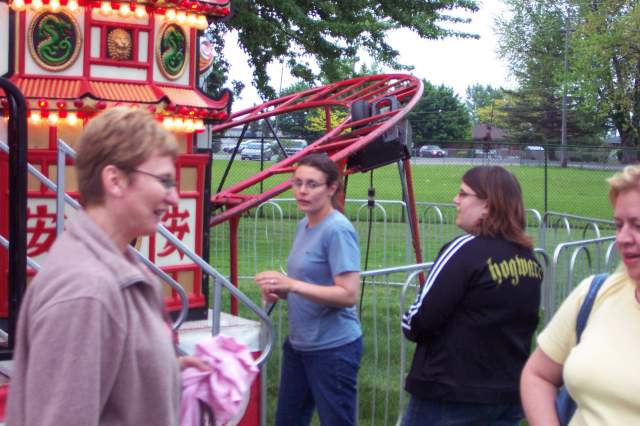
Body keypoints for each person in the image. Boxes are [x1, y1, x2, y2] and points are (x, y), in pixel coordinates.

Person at [6, 107, 207, 426]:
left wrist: (166, 372)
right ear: (115, 180)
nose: (175, 197)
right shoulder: (86, 293)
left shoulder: (118, 268)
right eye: (165, 181)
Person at [401, 165, 543, 425]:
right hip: (506, 394)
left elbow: (422, 320)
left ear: (487, 206)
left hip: (449, 395)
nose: (456, 200)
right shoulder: (529, 259)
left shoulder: (464, 250)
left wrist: (408, 322)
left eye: (463, 194)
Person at [520, 164, 640, 425]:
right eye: (619, 225)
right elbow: (537, 374)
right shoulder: (594, 293)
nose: (623, 238)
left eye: (637, 225)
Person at [254, 153, 362, 426]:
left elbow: (348, 294)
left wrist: (293, 284)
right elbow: (311, 285)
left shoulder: (337, 230)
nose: (302, 191)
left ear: (332, 188)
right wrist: (280, 290)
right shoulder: (305, 224)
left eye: (312, 184)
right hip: (299, 345)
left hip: (333, 348)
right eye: (297, 183)